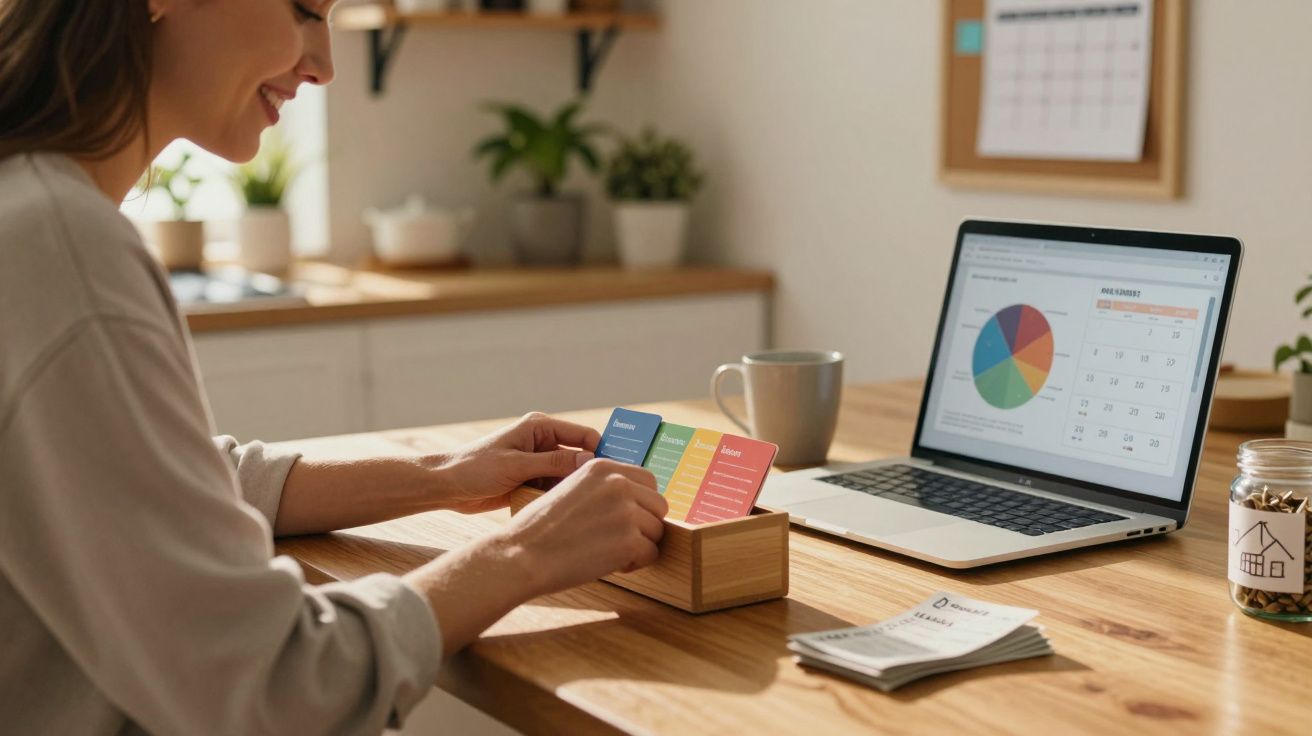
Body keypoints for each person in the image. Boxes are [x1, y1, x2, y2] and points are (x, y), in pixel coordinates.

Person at [0, 1, 668, 733]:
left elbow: (168, 485)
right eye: (305, 9)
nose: (323, 65)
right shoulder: (64, 253)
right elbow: (272, 686)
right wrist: (524, 552)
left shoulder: (32, 215)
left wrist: (446, 475)